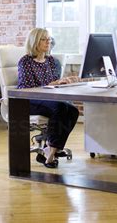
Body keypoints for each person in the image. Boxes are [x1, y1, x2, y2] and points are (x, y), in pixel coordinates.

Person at [17, 28, 79, 168]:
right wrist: (52, 83)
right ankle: (51, 153)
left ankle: (49, 149)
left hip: (47, 99)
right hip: (29, 100)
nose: (48, 42)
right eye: (44, 39)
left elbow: (54, 83)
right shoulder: (25, 61)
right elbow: (28, 88)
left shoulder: (51, 61)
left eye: (49, 39)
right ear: (35, 42)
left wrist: (64, 81)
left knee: (73, 110)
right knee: (60, 107)